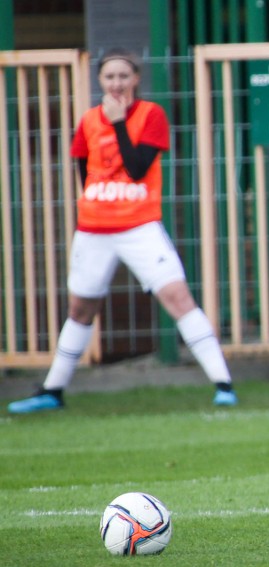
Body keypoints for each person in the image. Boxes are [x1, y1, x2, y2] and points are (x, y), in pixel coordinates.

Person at [7, 48, 237, 414]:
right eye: (109, 77)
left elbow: (136, 168)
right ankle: (52, 390)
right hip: (95, 228)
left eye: (123, 76)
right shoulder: (88, 121)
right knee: (81, 308)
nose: (116, 83)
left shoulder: (151, 115)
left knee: (177, 297)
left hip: (140, 226)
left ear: (135, 79)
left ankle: (223, 384)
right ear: (99, 81)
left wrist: (117, 124)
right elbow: (85, 173)